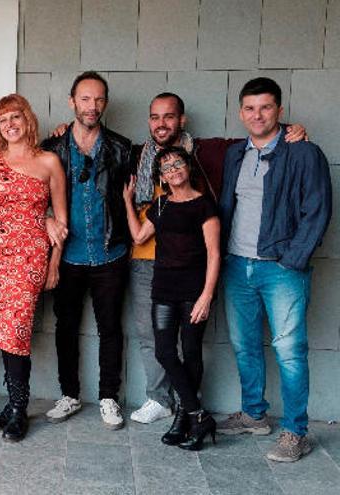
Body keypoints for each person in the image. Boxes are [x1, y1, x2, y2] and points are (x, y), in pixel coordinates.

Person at [124, 93, 307, 425]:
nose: (161, 123)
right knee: (152, 338)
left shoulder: (210, 151)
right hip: (147, 261)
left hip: (192, 267)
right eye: (154, 117)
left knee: (191, 344)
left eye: (169, 117)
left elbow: (260, 133)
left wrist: (291, 129)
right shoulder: (137, 154)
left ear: (182, 120)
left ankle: (188, 407)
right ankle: (159, 398)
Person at [217, 77, 332, 463]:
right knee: (244, 345)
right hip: (237, 265)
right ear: (240, 113)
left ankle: (296, 432)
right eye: (250, 108)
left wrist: (292, 260)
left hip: (281, 269)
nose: (257, 115)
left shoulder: (304, 153)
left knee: (290, 352)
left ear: (279, 111)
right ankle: (254, 414)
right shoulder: (235, 153)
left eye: (265, 107)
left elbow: (317, 211)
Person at [0, 94, 67, 442]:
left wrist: (54, 263)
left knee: (16, 332)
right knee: (0, 332)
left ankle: (19, 408)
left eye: (16, 117)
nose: (10, 125)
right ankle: (13, 405)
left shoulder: (49, 162)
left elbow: (62, 218)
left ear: (28, 120)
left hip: (30, 258)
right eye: (3, 120)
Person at [40, 71, 132, 429]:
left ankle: (109, 397)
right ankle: (70, 394)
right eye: (85, 99)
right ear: (72, 102)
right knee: (66, 326)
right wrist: (48, 217)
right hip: (67, 254)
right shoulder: (52, 148)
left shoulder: (122, 147)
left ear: (105, 103)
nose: (92, 106)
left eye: (98, 100)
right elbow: (34, 195)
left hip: (110, 252)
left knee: (110, 327)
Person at [123, 147, 220, 450]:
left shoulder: (205, 206)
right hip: (163, 289)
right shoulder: (161, 205)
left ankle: (184, 416)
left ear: (188, 167)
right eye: (167, 168)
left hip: (193, 291)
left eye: (178, 163)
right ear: (161, 177)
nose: (174, 170)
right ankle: (198, 414)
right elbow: (139, 237)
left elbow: (215, 254)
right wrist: (127, 201)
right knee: (165, 352)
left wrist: (207, 295)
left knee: (190, 352)